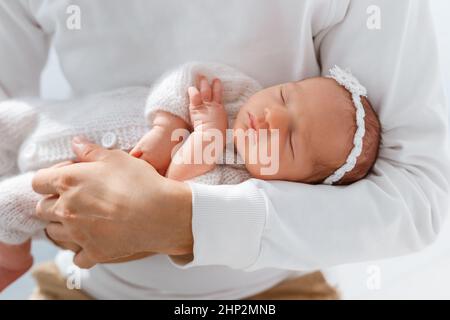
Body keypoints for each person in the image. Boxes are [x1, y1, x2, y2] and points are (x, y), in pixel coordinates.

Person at [0, 0, 448, 299]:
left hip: (270, 295)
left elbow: (417, 191)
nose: (273, 118)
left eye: (290, 140)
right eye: (286, 95)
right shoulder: (231, 93)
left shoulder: (236, 178)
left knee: (16, 204)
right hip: (84, 279)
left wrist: (181, 219)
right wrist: (171, 121)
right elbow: (189, 80)